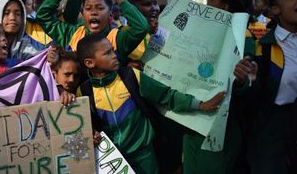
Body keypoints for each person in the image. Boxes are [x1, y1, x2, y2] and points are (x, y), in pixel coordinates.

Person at [77, 34, 225, 174]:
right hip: (113, 161)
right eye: (108, 53)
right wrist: (92, 132)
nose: (115, 55)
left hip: (144, 156)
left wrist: (199, 105)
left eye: (113, 51)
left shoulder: (130, 76)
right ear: (90, 63)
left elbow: (166, 95)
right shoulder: (83, 91)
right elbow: (84, 126)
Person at [183, 0, 256, 174]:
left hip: (220, 127)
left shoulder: (244, 39)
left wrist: (241, 81)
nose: (207, 2)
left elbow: (243, 86)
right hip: (192, 119)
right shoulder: (201, 33)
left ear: (224, 7)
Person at [244, 0, 297, 173]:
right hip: (273, 131)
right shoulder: (261, 47)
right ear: (274, 10)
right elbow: (249, 101)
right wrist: (247, 82)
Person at [0, 19, 70, 112]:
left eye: (4, 35)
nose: (4, 38)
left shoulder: (19, 67)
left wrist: (60, 92)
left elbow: (40, 83)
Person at [36, 0, 149, 65]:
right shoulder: (71, 34)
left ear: (110, 14)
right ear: (82, 14)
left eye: (100, 8)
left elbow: (141, 27)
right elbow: (43, 16)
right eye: (88, 8)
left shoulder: (118, 39)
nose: (94, 12)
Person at [127, 0, 169, 68]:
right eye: (147, 4)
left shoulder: (165, 33)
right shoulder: (122, 33)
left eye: (155, 3)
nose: (154, 8)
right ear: (133, 9)